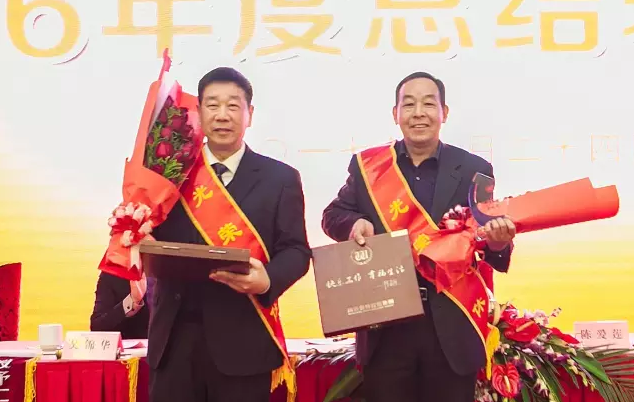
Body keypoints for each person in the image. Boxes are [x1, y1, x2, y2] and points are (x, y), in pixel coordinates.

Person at [321, 72, 517, 402]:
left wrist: (499, 241)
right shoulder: (369, 167)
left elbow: (487, 239)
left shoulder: (474, 168)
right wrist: (354, 224)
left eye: (428, 104)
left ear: (444, 113)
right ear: (395, 114)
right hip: (386, 323)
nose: (418, 113)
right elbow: (332, 215)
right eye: (408, 104)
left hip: (451, 322)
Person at [147, 67, 311, 402]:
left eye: (233, 105)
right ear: (198, 112)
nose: (222, 115)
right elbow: (148, 231)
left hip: (244, 340)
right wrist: (137, 234)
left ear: (250, 114)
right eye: (212, 105)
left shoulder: (280, 178)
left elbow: (296, 250)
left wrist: (268, 280)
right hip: (174, 341)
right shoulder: (169, 171)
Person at [90, 271, 151, 339]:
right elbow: (97, 327)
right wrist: (131, 301)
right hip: (131, 342)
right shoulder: (112, 274)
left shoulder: (159, 278)